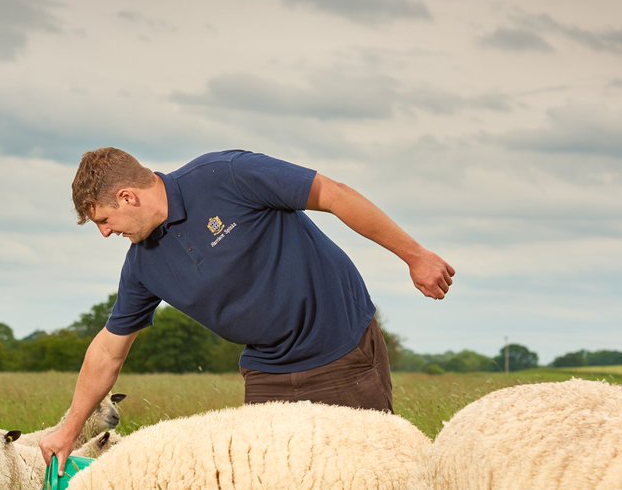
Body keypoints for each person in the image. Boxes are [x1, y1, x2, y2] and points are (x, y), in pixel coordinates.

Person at [38, 147, 454, 465]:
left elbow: (333, 194)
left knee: (372, 473)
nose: (106, 234)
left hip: (340, 352)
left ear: (127, 197)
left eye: (104, 221)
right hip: (267, 373)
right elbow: (109, 349)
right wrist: (68, 431)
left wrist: (414, 255)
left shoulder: (226, 176)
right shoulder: (143, 266)